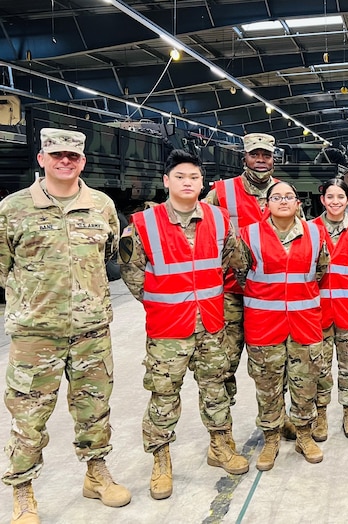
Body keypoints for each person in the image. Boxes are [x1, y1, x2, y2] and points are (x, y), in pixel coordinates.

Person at [0, 128, 131, 523]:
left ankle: (96, 473)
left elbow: (109, 255)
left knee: (94, 408)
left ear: (83, 162)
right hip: (35, 335)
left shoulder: (102, 206)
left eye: (73, 156)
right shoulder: (13, 208)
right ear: (41, 159)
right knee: (29, 415)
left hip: (91, 330)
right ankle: (23, 491)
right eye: (56, 155)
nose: (65, 161)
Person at [120, 149, 249, 501]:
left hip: (210, 324)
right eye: (180, 177)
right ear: (167, 182)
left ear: (202, 181)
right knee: (163, 396)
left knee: (216, 389)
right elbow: (134, 277)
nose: (188, 182)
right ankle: (161, 460)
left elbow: (232, 261)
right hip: (168, 329)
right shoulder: (143, 224)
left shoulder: (221, 220)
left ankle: (220, 446)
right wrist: (164, 302)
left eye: (194, 177)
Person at [235, 181, 328, 467]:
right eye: (277, 197)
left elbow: (321, 272)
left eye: (289, 196)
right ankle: (271, 438)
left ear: (298, 203)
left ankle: (304, 434)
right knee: (268, 385)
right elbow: (240, 274)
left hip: (304, 323)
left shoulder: (315, 233)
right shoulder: (248, 235)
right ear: (266, 204)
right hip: (265, 324)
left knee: (305, 384)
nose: (283, 201)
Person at [203, 133, 279, 412]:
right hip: (230, 293)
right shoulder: (221, 192)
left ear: (273, 158)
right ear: (244, 157)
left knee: (271, 364)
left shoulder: (283, 192)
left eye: (266, 155)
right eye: (254, 154)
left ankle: (276, 417)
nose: (260, 160)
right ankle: (222, 431)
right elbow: (199, 230)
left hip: (269, 294)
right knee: (223, 362)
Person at [310, 179, 348, 440]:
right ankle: (321, 416)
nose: (335, 202)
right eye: (330, 197)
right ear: (322, 199)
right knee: (320, 367)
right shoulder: (309, 229)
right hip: (318, 311)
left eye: (340, 197)